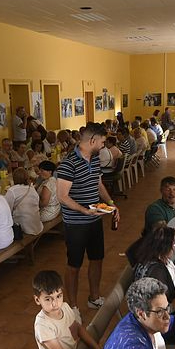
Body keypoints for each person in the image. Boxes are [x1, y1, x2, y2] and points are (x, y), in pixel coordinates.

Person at [56, 122, 119, 310]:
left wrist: (111, 204)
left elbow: (98, 184)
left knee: (97, 259)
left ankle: (94, 297)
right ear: (92, 140)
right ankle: (73, 306)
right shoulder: (69, 163)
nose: (104, 145)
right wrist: (84, 210)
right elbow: (62, 196)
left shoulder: (95, 158)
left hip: (95, 220)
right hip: (76, 224)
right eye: (102, 141)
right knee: (74, 265)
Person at [132, 225, 175, 318]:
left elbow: (167, 281)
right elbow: (166, 309)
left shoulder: (155, 257)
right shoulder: (156, 272)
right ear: (164, 246)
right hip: (172, 317)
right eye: (173, 244)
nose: (174, 248)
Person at [5, 167, 42, 236]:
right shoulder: (31, 188)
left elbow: (7, 210)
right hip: (36, 224)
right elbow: (37, 202)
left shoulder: (12, 191)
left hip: (22, 226)